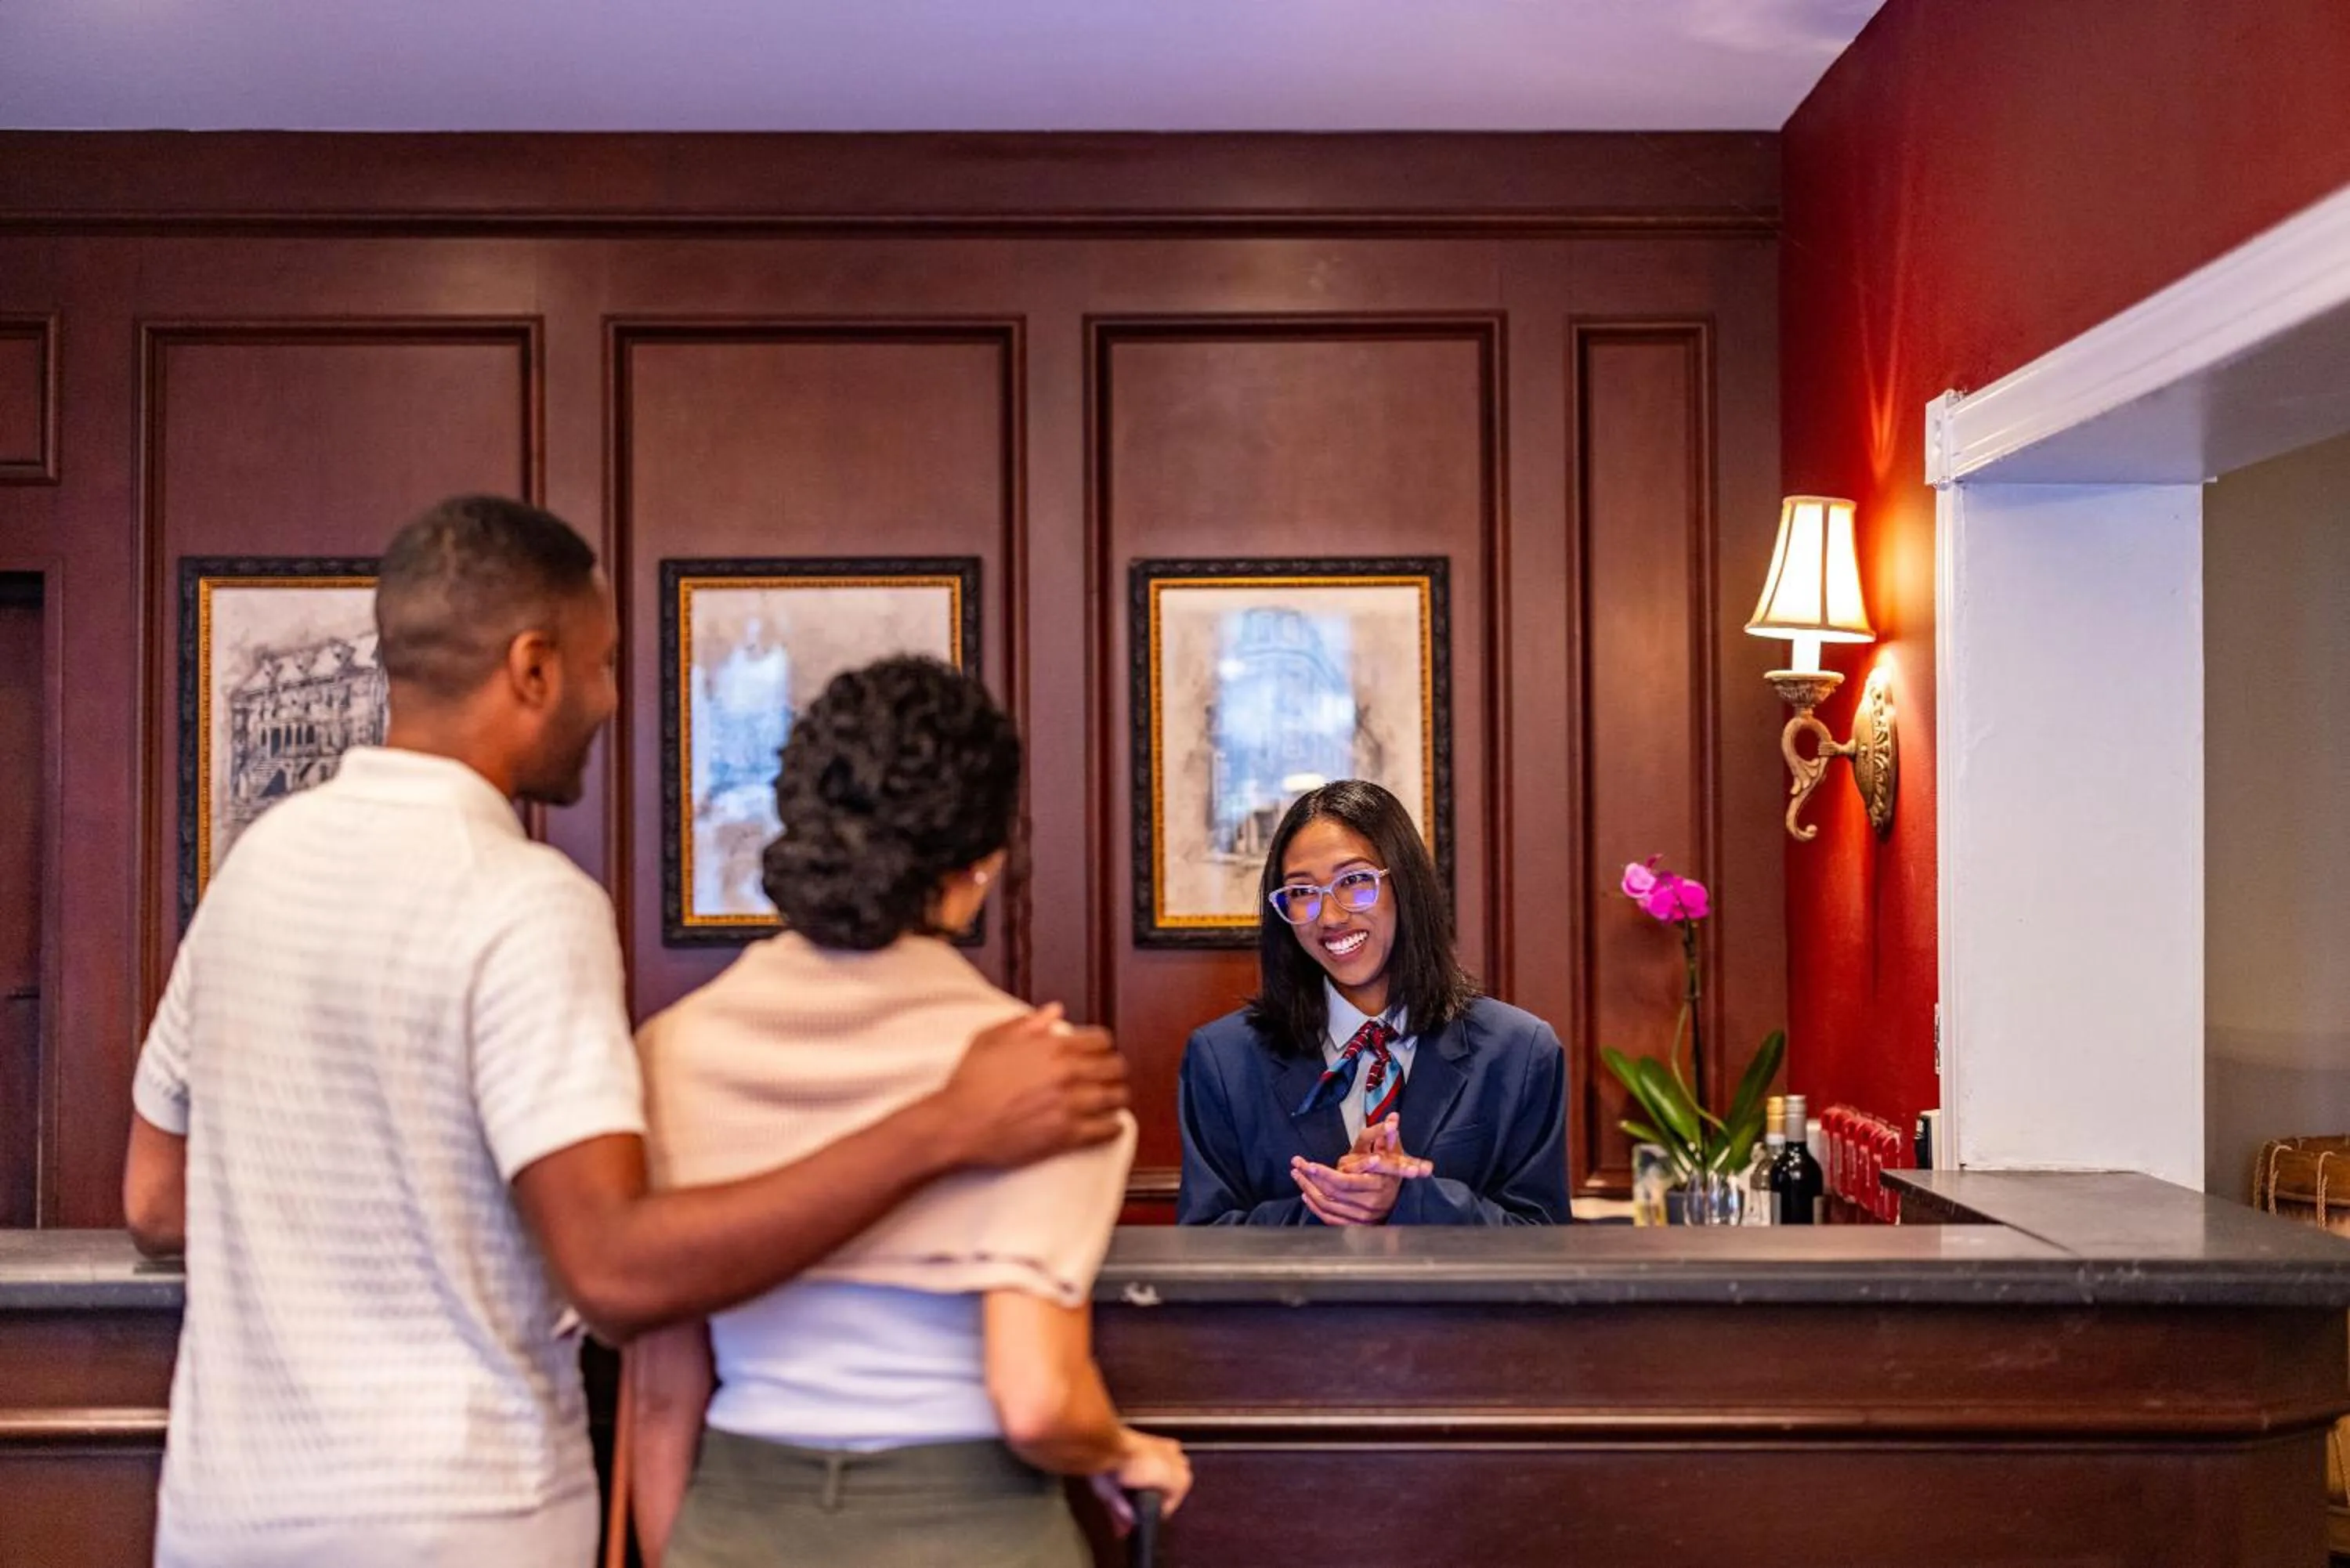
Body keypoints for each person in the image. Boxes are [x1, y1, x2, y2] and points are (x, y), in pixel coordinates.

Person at [120, 497, 1130, 1568]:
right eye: (602, 664)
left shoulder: (251, 872)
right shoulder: (524, 900)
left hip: (228, 1512)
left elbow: (155, 1200)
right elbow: (612, 1270)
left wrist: (362, 1221)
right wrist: (946, 1124)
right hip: (457, 1510)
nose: (610, 699)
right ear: (533, 667)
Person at [628, 656, 1189, 1568]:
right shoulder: (1046, 1077)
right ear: (984, 859)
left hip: (735, 1517)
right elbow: (1036, 1400)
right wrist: (1126, 1451)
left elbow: (660, 1399)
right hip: (974, 1527)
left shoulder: (672, 1053)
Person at [1175, 779, 1570, 1227]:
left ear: (1405, 884)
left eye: (1354, 881)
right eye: (1302, 892)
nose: (1330, 917)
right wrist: (1336, 1205)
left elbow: (1541, 1238)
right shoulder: (1223, 1059)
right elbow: (1205, 1238)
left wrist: (1410, 1199)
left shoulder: (1520, 1051)